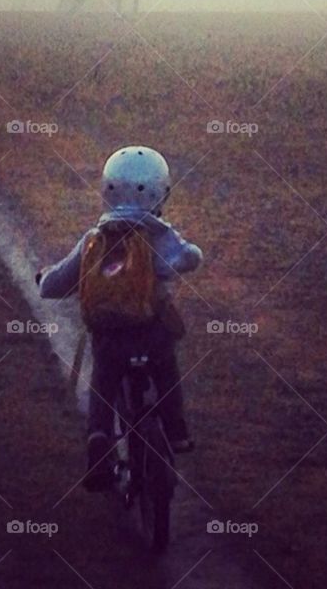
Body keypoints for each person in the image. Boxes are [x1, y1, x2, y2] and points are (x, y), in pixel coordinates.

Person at [36, 145, 203, 491]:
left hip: (110, 339)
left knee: (104, 383)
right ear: (161, 191)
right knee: (166, 369)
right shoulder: (160, 236)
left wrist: (44, 278)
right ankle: (176, 431)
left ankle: (99, 439)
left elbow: (56, 285)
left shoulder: (94, 241)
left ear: (108, 189)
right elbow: (188, 259)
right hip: (152, 335)